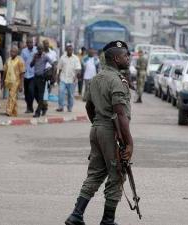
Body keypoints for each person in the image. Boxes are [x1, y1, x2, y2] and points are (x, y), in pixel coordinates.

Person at [65, 40, 133, 225]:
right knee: (117, 173)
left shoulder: (96, 78)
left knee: (95, 173)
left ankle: (76, 215)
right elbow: (120, 114)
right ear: (116, 58)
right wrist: (129, 143)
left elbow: (89, 106)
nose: (128, 58)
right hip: (110, 132)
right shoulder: (117, 81)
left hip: (96, 129)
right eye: (126, 55)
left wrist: (98, 123)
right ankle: (107, 220)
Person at [30, 44, 54, 118]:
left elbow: (53, 64)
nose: (39, 51)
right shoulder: (35, 55)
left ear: (43, 50)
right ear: (37, 49)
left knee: (41, 96)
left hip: (42, 78)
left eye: (41, 49)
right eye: (38, 49)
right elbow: (31, 65)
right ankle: (44, 107)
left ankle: (38, 112)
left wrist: (51, 73)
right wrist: (34, 59)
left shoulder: (45, 56)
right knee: (32, 92)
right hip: (35, 77)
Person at [56, 44, 81, 112]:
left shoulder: (76, 58)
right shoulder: (62, 58)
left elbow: (78, 69)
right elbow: (59, 68)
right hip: (63, 78)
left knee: (70, 95)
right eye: (68, 49)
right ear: (66, 50)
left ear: (72, 50)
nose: (70, 51)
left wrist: (75, 77)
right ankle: (61, 106)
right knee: (61, 92)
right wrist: (57, 78)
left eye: (71, 49)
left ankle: (69, 107)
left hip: (72, 80)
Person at [4, 46, 25, 117]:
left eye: (13, 52)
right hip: (9, 81)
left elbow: (22, 73)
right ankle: (14, 112)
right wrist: (2, 81)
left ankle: (8, 111)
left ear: (17, 52)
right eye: (11, 51)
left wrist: (21, 85)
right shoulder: (8, 60)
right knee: (13, 96)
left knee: (11, 95)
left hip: (16, 81)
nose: (11, 53)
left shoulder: (20, 60)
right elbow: (5, 70)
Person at [20, 38, 37, 113]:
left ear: (33, 43)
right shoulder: (23, 51)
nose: (30, 44)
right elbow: (21, 62)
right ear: (26, 44)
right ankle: (29, 107)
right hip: (26, 74)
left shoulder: (36, 50)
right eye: (28, 42)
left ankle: (31, 106)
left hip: (33, 74)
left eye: (31, 42)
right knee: (26, 93)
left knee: (31, 91)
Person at [43, 39, 58, 116]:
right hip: (40, 76)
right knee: (40, 93)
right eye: (45, 44)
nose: (46, 45)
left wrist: (54, 77)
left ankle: (44, 106)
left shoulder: (52, 53)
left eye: (47, 44)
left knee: (46, 93)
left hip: (49, 75)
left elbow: (55, 65)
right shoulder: (40, 52)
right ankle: (43, 106)